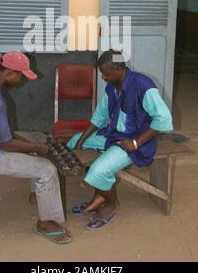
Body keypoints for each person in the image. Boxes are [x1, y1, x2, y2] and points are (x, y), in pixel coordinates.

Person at [0, 51, 71, 244]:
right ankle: (46, 222)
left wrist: (33, 144)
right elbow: (6, 143)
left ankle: (37, 194)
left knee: (38, 137)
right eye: (21, 75)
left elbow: (1, 132)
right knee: (47, 169)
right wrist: (36, 148)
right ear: (10, 72)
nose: (21, 81)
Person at [67, 49, 173, 230]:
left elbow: (164, 119)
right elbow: (99, 117)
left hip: (135, 142)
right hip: (113, 135)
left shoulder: (143, 85)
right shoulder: (111, 86)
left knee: (98, 171)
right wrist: (80, 142)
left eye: (105, 74)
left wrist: (135, 143)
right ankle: (101, 192)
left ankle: (111, 203)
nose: (103, 78)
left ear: (118, 69)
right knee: (72, 143)